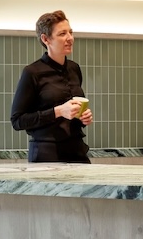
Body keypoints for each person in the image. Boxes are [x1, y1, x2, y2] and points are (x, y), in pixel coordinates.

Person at [11, 10, 94, 163]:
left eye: (70, 32)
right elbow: (17, 121)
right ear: (45, 39)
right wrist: (59, 111)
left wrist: (83, 117)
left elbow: (71, 116)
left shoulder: (74, 68)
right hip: (46, 153)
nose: (69, 38)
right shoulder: (32, 72)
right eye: (62, 34)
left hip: (77, 150)